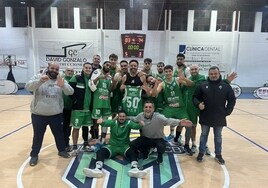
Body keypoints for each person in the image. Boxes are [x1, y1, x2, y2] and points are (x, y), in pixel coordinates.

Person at [25, 62, 74, 166]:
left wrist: (63, 85)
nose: (54, 71)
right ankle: (34, 155)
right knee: (38, 136)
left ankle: (61, 151)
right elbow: (28, 87)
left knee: (59, 135)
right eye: (52, 68)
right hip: (39, 114)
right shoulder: (38, 77)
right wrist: (40, 81)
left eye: (56, 69)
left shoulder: (60, 79)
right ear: (48, 68)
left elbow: (70, 92)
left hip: (56, 114)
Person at [83, 110, 147, 179]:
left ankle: (134, 169)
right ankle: (98, 169)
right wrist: (101, 122)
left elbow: (136, 126)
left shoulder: (129, 123)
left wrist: (141, 124)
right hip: (112, 146)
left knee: (134, 152)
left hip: (125, 146)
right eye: (120, 116)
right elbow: (105, 123)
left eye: (123, 116)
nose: (121, 118)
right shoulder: (113, 122)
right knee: (100, 152)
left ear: (126, 117)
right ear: (117, 117)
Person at [193, 66, 236, 165]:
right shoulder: (202, 85)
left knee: (218, 136)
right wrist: (198, 104)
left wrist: (227, 111)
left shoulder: (225, 86)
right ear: (208, 75)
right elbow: (195, 97)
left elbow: (232, 100)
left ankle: (218, 154)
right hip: (205, 115)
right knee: (204, 135)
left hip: (219, 116)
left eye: (215, 74)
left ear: (219, 74)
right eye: (211, 74)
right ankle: (201, 152)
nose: (213, 76)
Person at [151, 65, 194, 155]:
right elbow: (154, 94)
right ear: (164, 72)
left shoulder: (178, 79)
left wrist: (184, 79)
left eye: (169, 71)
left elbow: (191, 84)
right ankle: (157, 142)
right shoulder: (162, 84)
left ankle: (186, 145)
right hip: (169, 108)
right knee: (158, 121)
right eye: (166, 72)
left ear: (172, 71)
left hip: (180, 108)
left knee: (189, 125)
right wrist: (155, 85)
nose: (168, 73)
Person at [68, 62, 94, 155]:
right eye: (86, 68)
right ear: (83, 68)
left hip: (88, 109)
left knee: (86, 127)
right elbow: (69, 90)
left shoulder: (92, 80)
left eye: (89, 68)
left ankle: (86, 144)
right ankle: (75, 147)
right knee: (76, 128)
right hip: (78, 110)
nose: (88, 69)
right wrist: (75, 101)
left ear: (91, 70)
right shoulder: (76, 78)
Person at [91, 61, 113, 145]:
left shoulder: (110, 77)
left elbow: (110, 90)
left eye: (110, 66)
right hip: (97, 102)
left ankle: (103, 139)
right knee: (96, 122)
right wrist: (100, 77)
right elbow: (92, 84)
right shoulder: (97, 72)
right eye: (107, 65)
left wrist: (114, 82)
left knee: (105, 123)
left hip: (106, 103)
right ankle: (96, 140)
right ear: (103, 65)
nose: (108, 67)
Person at [62, 67, 75, 151]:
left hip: (71, 108)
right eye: (68, 71)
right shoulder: (61, 80)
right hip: (61, 108)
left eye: (71, 71)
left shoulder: (74, 80)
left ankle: (66, 143)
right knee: (63, 127)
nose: (70, 72)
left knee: (69, 126)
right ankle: (63, 144)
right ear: (65, 71)